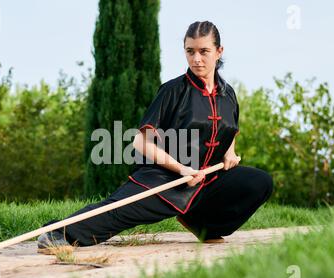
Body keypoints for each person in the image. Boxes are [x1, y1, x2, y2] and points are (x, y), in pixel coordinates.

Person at [37, 21, 273, 250]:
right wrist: (182, 169)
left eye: (204, 51)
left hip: (208, 182)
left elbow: (228, 131)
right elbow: (140, 142)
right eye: (190, 51)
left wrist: (230, 152)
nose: (196, 59)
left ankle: (203, 225)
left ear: (219, 52)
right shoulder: (172, 91)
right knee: (118, 210)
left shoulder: (228, 94)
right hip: (166, 178)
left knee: (259, 182)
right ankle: (58, 233)